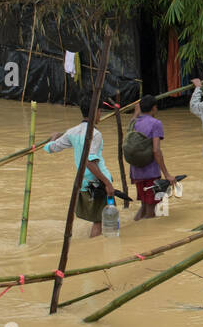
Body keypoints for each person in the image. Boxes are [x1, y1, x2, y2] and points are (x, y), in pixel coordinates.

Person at [45, 106, 119, 237]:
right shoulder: (95, 134)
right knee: (100, 221)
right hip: (99, 184)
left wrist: (54, 138)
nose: (100, 114)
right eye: (99, 111)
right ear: (96, 112)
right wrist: (107, 183)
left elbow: (51, 148)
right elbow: (90, 162)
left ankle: (94, 247)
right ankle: (95, 249)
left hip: (84, 183)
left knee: (101, 219)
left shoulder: (72, 132)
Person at [128, 95, 178, 221]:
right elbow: (156, 150)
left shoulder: (134, 122)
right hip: (150, 172)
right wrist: (166, 174)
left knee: (144, 205)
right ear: (154, 108)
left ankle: (136, 228)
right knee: (151, 209)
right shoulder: (156, 124)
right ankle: (145, 234)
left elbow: (131, 124)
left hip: (136, 171)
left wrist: (136, 113)